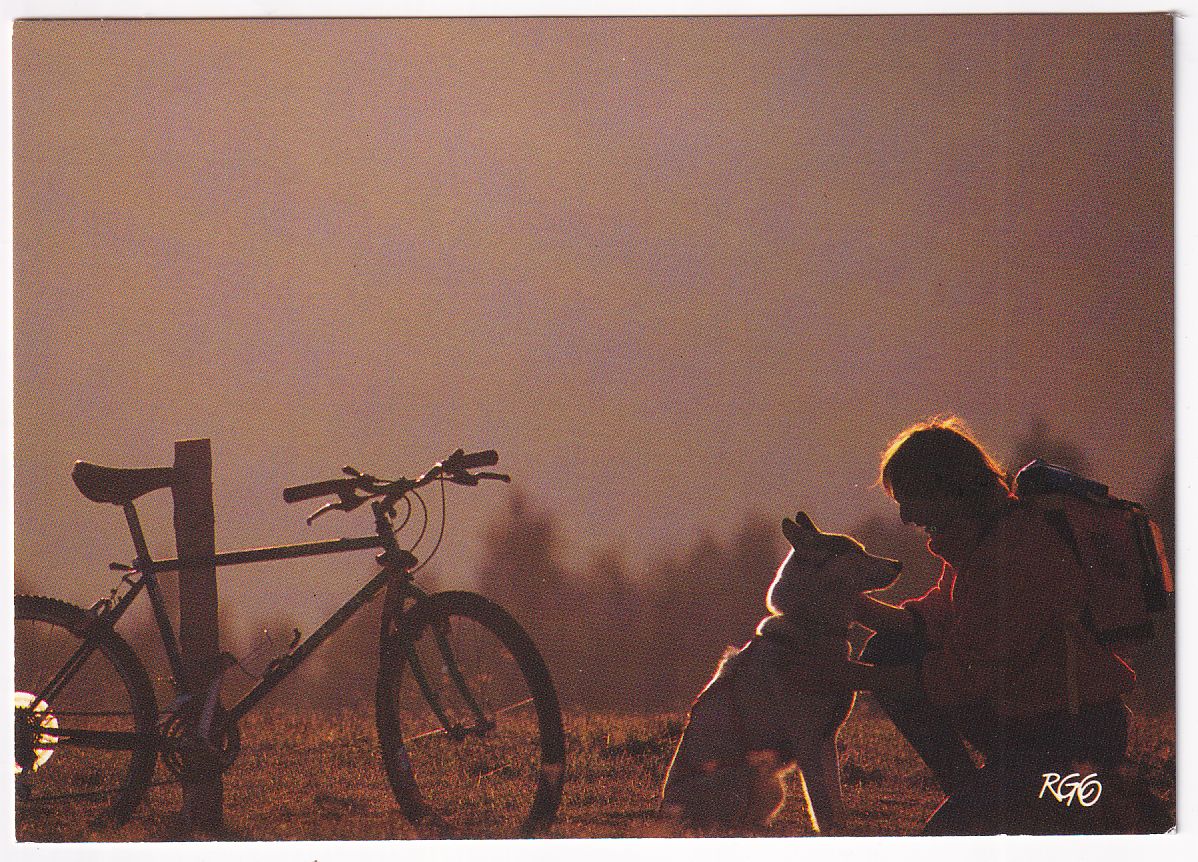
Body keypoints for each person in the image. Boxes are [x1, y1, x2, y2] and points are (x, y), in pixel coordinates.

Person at [816, 416, 1139, 834]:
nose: (905, 516)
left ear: (948, 490)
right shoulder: (985, 540)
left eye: (911, 497)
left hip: (1069, 737)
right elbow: (940, 615)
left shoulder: (1011, 555)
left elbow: (961, 675)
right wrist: (853, 606)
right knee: (887, 647)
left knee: (941, 841)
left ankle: (1018, 804)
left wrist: (852, 677)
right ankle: (978, 796)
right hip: (1030, 722)